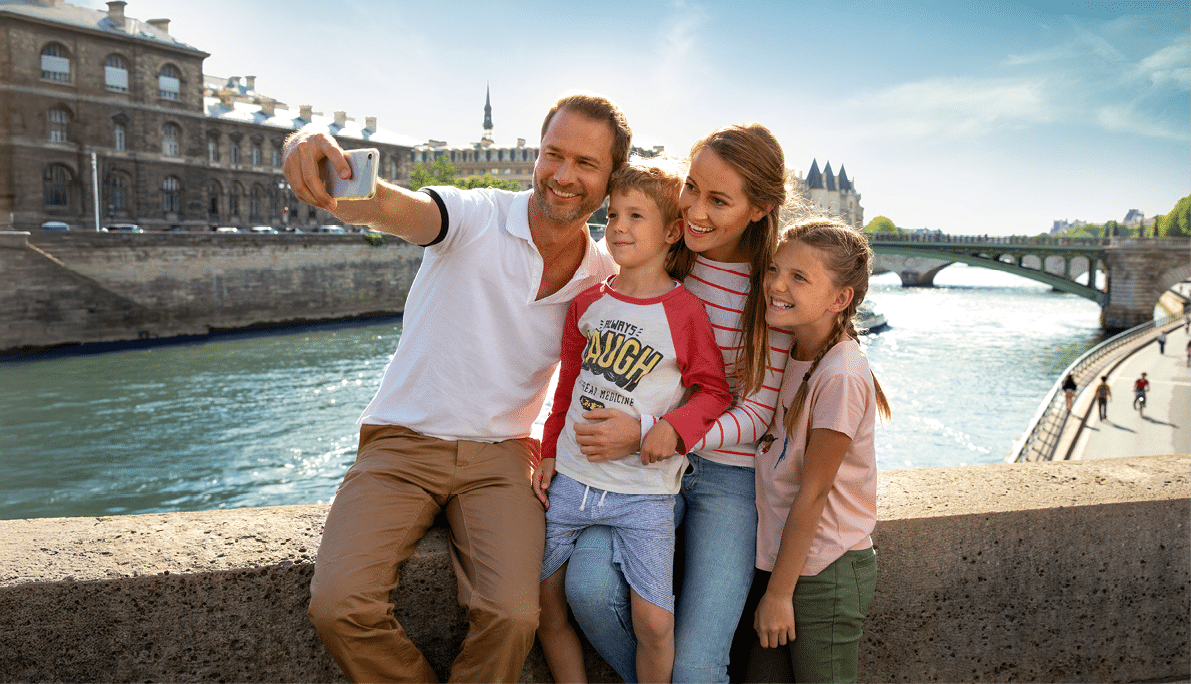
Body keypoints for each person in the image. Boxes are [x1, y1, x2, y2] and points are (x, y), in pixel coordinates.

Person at [280, 92, 627, 683]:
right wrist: (307, 151)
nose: (563, 176)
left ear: (612, 179)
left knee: (515, 615)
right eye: (553, 155)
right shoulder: (475, 215)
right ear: (537, 155)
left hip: (506, 456)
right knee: (339, 606)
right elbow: (394, 209)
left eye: (586, 164)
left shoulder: (606, 278)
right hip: (402, 443)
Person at [562, 123, 796, 683]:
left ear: (760, 209)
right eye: (692, 188)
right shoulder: (675, 258)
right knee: (589, 592)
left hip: (723, 481)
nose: (695, 211)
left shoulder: (772, 286)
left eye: (719, 200)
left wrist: (655, 430)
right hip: (640, 471)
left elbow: (758, 411)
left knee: (696, 666)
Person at [533, 157, 733, 684]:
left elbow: (714, 392)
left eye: (635, 216)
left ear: (672, 231)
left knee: (652, 620)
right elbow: (568, 385)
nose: (618, 227)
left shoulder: (685, 312)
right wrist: (549, 450)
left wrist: (668, 429)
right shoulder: (586, 304)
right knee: (547, 608)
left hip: (645, 491)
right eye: (612, 215)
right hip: (573, 482)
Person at [743, 218, 891, 683]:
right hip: (781, 562)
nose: (776, 285)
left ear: (840, 299)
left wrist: (779, 594)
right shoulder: (789, 349)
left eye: (799, 277)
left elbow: (814, 493)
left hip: (823, 572)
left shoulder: (841, 373)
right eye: (774, 269)